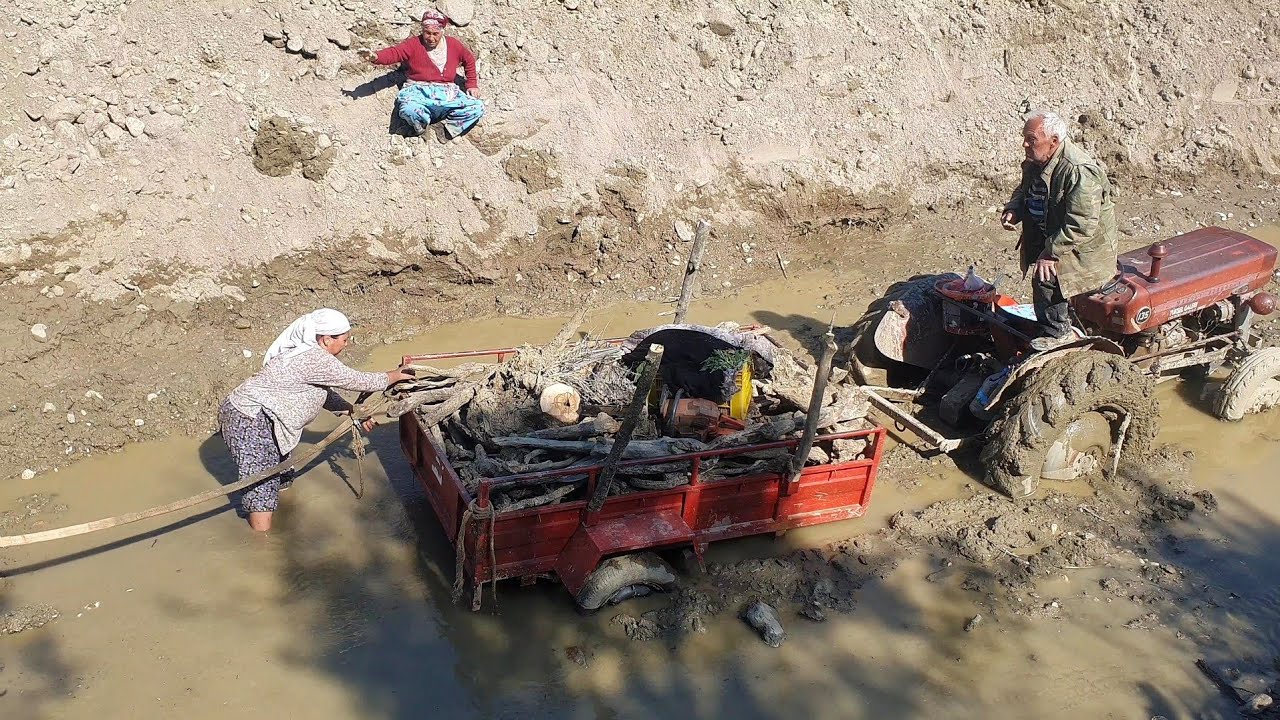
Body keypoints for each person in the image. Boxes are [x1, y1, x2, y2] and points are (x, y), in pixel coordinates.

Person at [218, 309, 414, 532]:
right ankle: (260, 540)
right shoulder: (314, 358)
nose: (346, 344)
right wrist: (394, 375)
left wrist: (350, 409)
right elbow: (356, 380)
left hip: (269, 418)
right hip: (249, 418)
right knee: (262, 482)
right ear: (327, 339)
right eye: (344, 339)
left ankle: (283, 518)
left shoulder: (310, 355)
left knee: (282, 476)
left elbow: (321, 392)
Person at [1000, 110, 1118, 351]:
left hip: (1084, 248)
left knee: (1045, 278)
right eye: (1025, 137)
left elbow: (1081, 223)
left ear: (1053, 141)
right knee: (1041, 267)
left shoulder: (1078, 171)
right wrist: (1015, 209)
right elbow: (1025, 190)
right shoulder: (1038, 162)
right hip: (1054, 234)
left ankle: (1057, 334)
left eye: (1031, 139)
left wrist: (1050, 253)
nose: (1024, 144)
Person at [356, 10, 485, 140]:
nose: (431, 38)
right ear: (422, 30)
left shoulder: (453, 45)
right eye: (427, 33)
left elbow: (469, 59)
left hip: (447, 93)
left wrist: (472, 84)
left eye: (435, 34)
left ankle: (447, 131)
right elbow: (394, 53)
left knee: (477, 107)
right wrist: (375, 56)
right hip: (418, 91)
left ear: (442, 32)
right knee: (408, 110)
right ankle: (421, 127)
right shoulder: (413, 44)